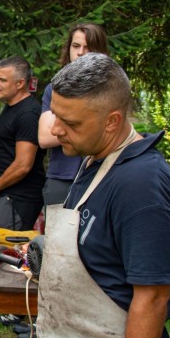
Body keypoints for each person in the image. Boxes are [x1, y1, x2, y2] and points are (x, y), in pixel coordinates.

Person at [37, 53, 170, 338]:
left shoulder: (141, 185)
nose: (56, 130)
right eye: (56, 115)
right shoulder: (95, 160)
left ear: (112, 121)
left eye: (71, 124)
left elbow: (154, 296)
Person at [0, 55, 45, 326]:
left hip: (19, 196)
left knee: (16, 252)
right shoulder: (12, 107)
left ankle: (16, 311)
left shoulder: (29, 113)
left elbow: (23, 164)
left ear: (20, 83)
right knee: (7, 249)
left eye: (1, 80)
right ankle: (9, 307)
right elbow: (9, 153)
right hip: (7, 193)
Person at [39, 23, 109, 206]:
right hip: (62, 177)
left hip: (103, 175)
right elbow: (45, 137)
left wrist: (65, 124)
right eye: (76, 46)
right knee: (58, 234)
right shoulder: (54, 89)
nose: (80, 53)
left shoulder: (111, 89)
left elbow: (113, 133)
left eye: (88, 47)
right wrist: (89, 124)